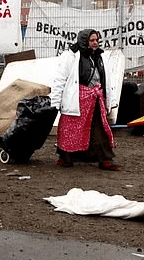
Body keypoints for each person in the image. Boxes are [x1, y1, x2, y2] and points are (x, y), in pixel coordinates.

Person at [50, 29, 120, 171]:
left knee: (99, 128)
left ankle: (105, 159)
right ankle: (65, 158)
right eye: (92, 40)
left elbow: (107, 79)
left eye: (97, 40)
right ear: (84, 41)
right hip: (76, 99)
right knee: (70, 129)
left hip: (95, 99)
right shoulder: (71, 56)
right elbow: (60, 80)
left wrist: (109, 101)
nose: (95, 43)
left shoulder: (100, 56)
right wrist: (55, 102)